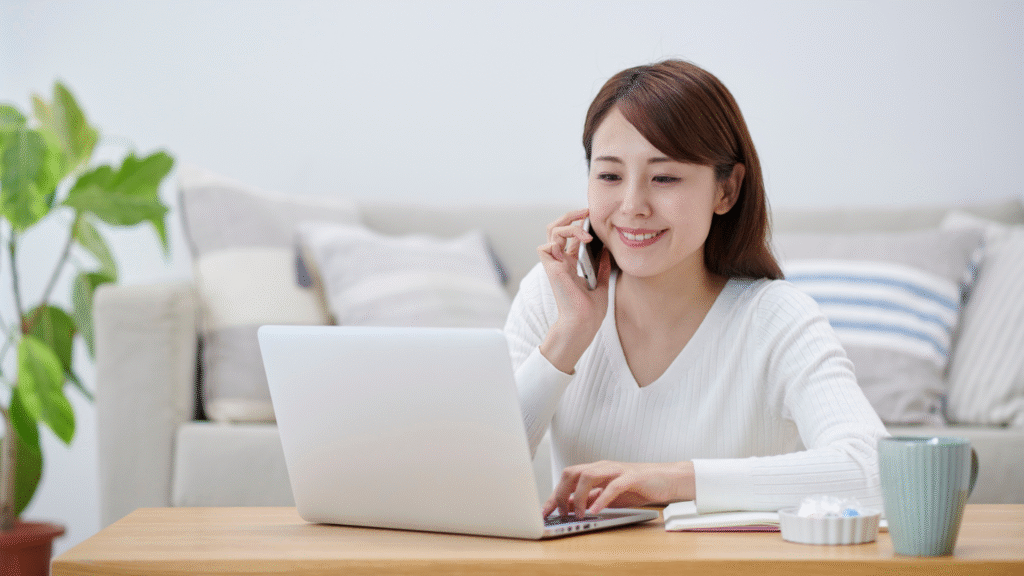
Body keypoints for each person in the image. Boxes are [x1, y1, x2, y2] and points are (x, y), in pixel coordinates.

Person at [503, 59, 888, 519]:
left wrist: (670, 480)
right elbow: (471, 477)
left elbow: (877, 470)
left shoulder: (775, 318)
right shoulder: (551, 297)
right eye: (609, 176)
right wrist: (568, 338)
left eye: (664, 177)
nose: (632, 206)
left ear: (726, 191)